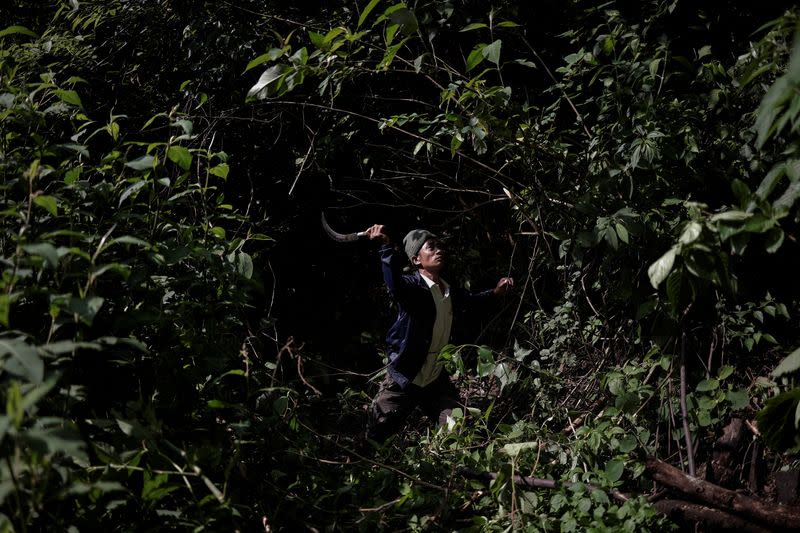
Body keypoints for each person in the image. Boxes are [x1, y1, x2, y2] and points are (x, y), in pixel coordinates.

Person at [364, 224, 513, 442]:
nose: (439, 250)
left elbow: (470, 301)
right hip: (406, 377)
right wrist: (386, 248)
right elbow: (394, 285)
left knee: (455, 428)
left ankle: (452, 468)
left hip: (435, 379)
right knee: (377, 432)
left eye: (440, 247)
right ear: (416, 260)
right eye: (431, 248)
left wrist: (495, 293)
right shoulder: (412, 289)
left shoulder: (447, 290)